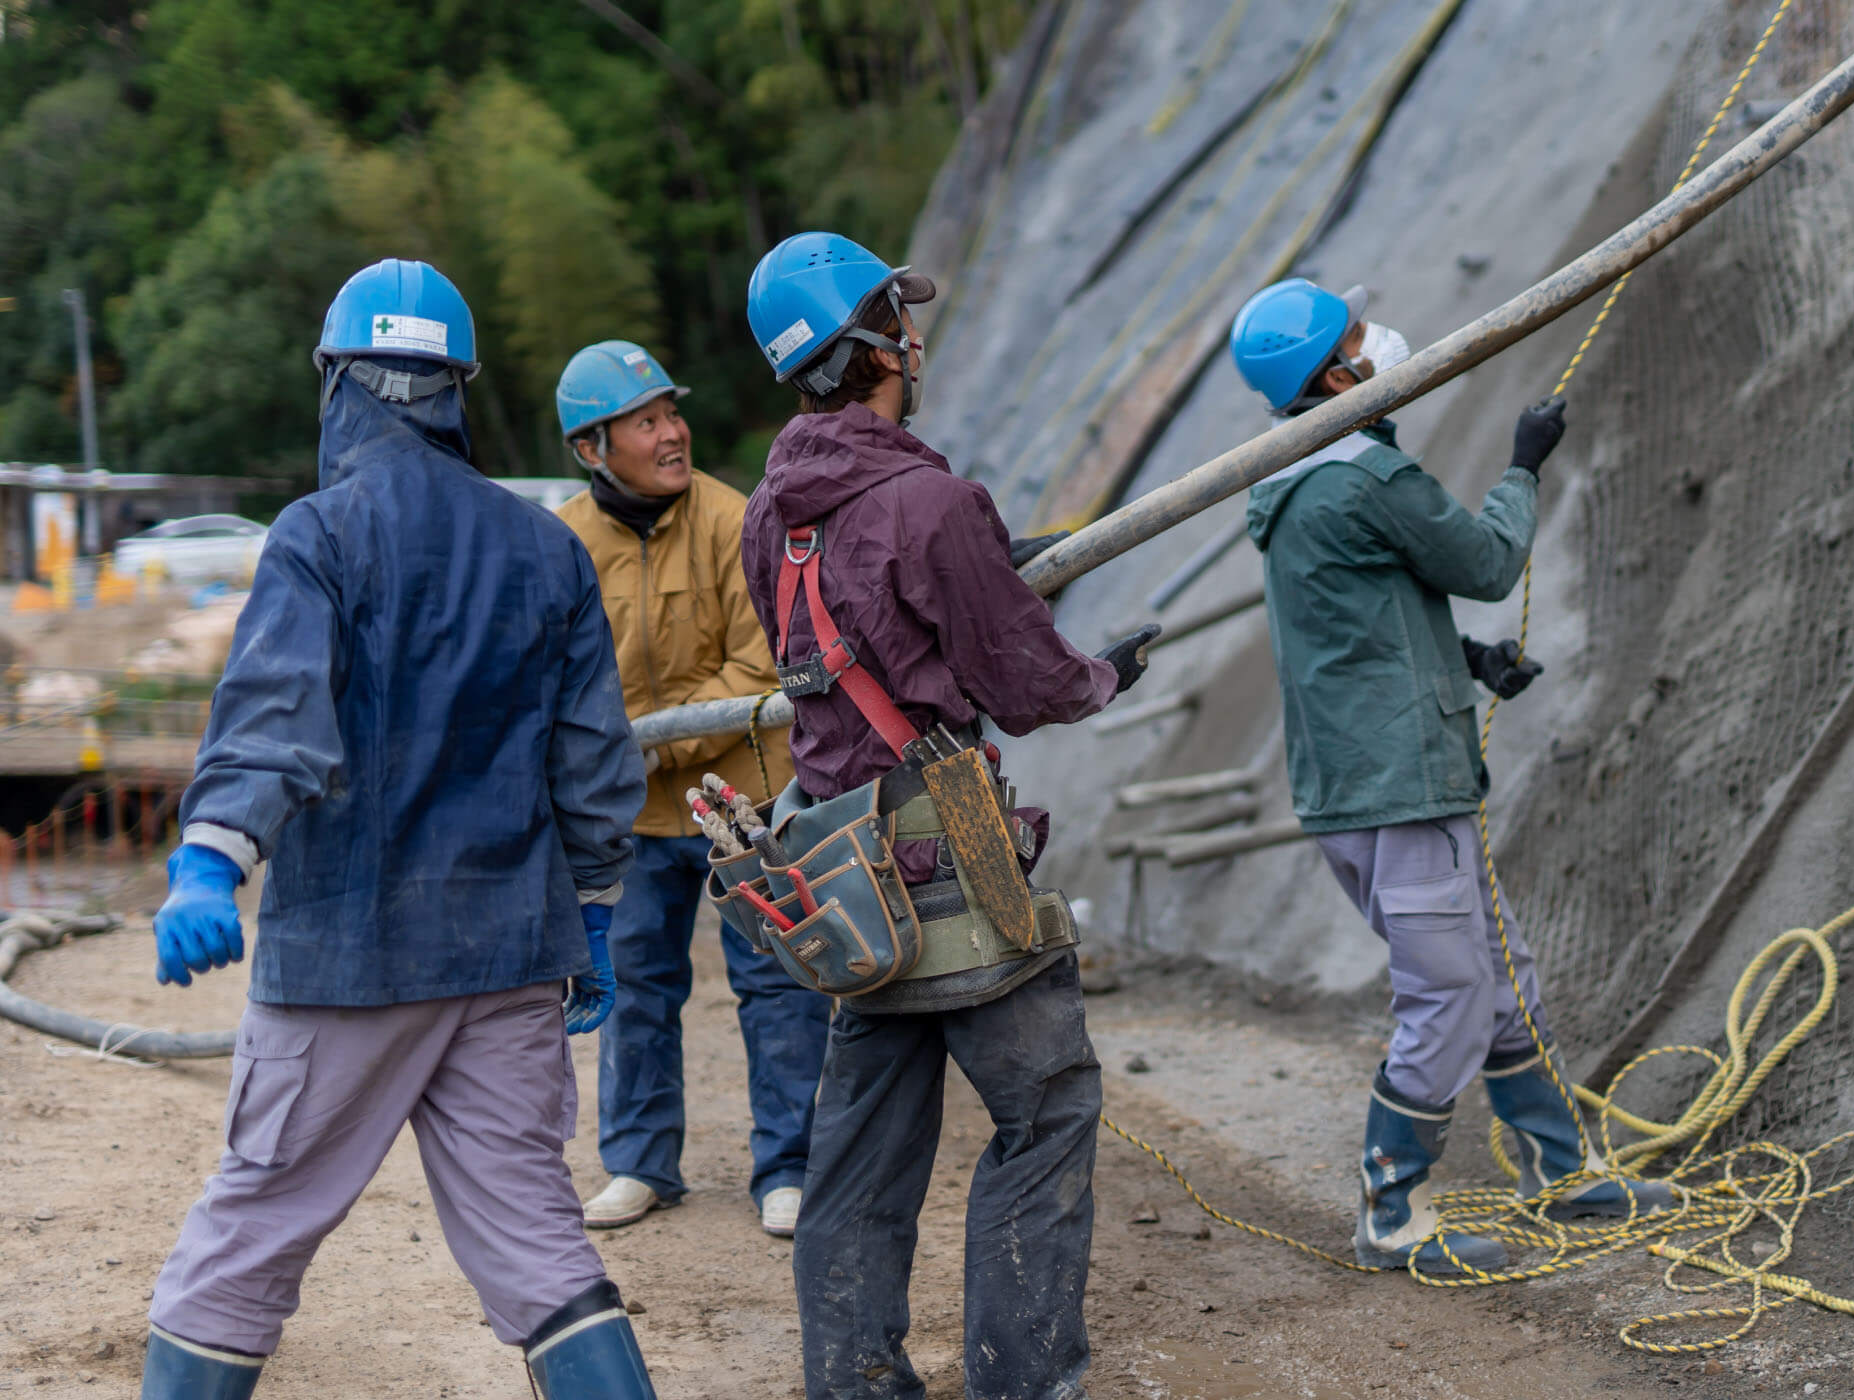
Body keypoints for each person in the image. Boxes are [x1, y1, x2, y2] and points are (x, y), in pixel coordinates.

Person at [141, 260, 656, 1399]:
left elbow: (277, 720)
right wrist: (594, 912)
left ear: (337, 380)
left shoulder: (320, 534)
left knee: (248, 1237)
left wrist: (208, 862)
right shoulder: (547, 548)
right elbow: (592, 763)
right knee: (538, 1242)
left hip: (347, 956)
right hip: (511, 955)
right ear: (454, 389)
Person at [738, 231, 1158, 1400]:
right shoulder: (930, 499)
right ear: (871, 344)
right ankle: (1023, 1382)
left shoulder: (769, 515)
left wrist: (982, 567)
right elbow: (1028, 684)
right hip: (949, 851)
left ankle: (855, 1380)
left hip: (842, 866)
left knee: (860, 1154)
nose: (915, 339)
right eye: (898, 319)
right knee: (1046, 1107)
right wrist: (1105, 673)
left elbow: (845, 640)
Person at [1231, 277, 1673, 1277]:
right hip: (1401, 784)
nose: (1375, 339)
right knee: (1453, 990)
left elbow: (1354, 627)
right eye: (1353, 335)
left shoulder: (1299, 481)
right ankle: (1389, 1210)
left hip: (1369, 777)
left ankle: (1559, 1172)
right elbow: (1482, 558)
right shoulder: (1363, 479)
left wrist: (1465, 659)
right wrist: (1522, 466)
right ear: (1333, 375)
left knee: (1498, 974)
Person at [553, 340, 827, 1238]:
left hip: (741, 803)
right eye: (647, 421)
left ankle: (788, 1167)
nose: (674, 433)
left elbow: (759, 667)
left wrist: (655, 745)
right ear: (594, 447)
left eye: (672, 412)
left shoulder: (734, 519)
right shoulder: (562, 543)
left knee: (778, 984)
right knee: (633, 985)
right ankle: (638, 1165)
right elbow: (558, 675)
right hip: (625, 815)